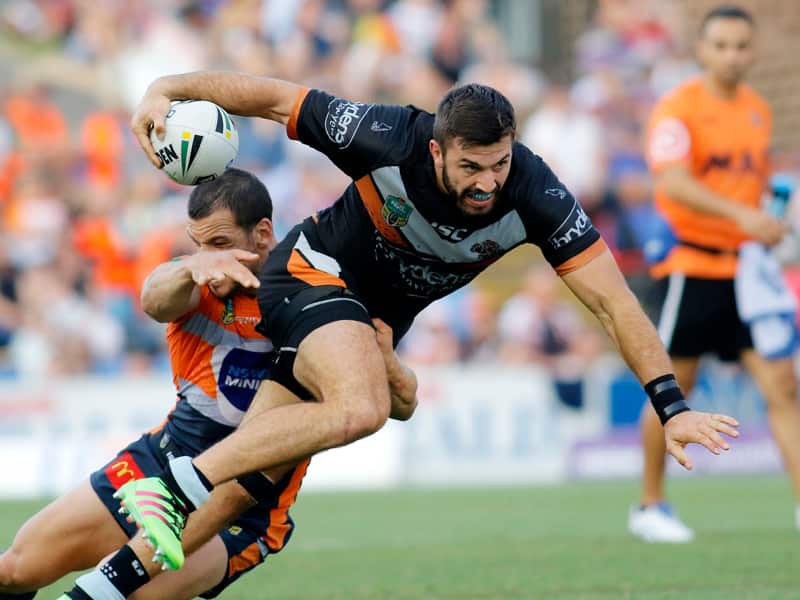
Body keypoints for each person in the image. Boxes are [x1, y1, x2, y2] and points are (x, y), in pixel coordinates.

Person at [118, 67, 741, 569]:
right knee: (360, 408)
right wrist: (167, 89)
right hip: (311, 274)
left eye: (500, 164)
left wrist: (672, 406)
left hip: (369, 321)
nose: (487, 183)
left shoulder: (536, 195)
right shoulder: (387, 135)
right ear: (437, 149)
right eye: (471, 167)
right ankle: (175, 486)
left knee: (249, 488)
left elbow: (613, 303)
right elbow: (277, 100)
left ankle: (103, 585)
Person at [0, 168, 417, 600]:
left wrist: (383, 358)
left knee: (131, 596)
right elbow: (153, 298)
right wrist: (192, 265)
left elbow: (402, 404)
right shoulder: (196, 283)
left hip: (249, 507)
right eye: (198, 244)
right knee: (14, 569)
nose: (210, 259)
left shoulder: (318, 295)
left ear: (262, 233)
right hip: (158, 463)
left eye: (220, 244)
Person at [628, 5, 800, 543]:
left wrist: (769, 222)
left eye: (741, 46)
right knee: (675, 389)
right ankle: (650, 506)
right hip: (694, 266)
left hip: (747, 271)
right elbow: (672, 184)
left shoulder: (755, 108)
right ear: (702, 50)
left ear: (753, 51)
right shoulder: (678, 109)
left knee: (783, 386)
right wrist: (741, 216)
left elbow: (753, 183)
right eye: (721, 45)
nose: (732, 55)